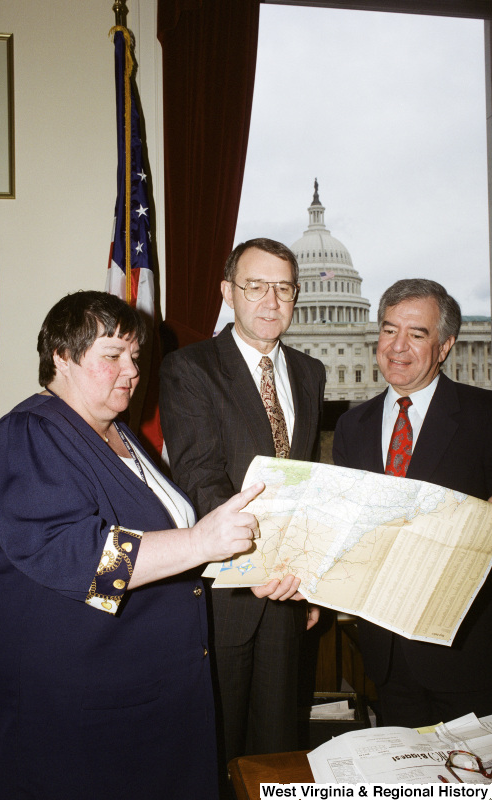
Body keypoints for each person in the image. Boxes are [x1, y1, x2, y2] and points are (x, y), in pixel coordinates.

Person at [0, 290, 265, 800]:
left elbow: (170, 547)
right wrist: (200, 540)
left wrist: (251, 568)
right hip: (72, 711)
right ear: (61, 357)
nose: (131, 371)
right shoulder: (30, 433)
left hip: (143, 694)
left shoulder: (117, 433)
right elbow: (83, 559)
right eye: (111, 356)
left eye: (135, 357)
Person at [332, 278, 492, 728]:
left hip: (469, 652)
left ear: (444, 347)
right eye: (389, 330)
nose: (397, 347)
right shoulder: (353, 426)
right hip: (386, 654)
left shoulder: (489, 414)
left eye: (417, 334)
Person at [159, 238, 326, 765]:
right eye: (255, 286)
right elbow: (199, 476)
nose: (270, 301)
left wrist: (311, 575)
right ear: (229, 292)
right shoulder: (190, 369)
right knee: (220, 746)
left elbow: (307, 484)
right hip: (226, 592)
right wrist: (254, 561)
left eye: (283, 288)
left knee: (279, 748)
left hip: (288, 593)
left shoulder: (309, 371)